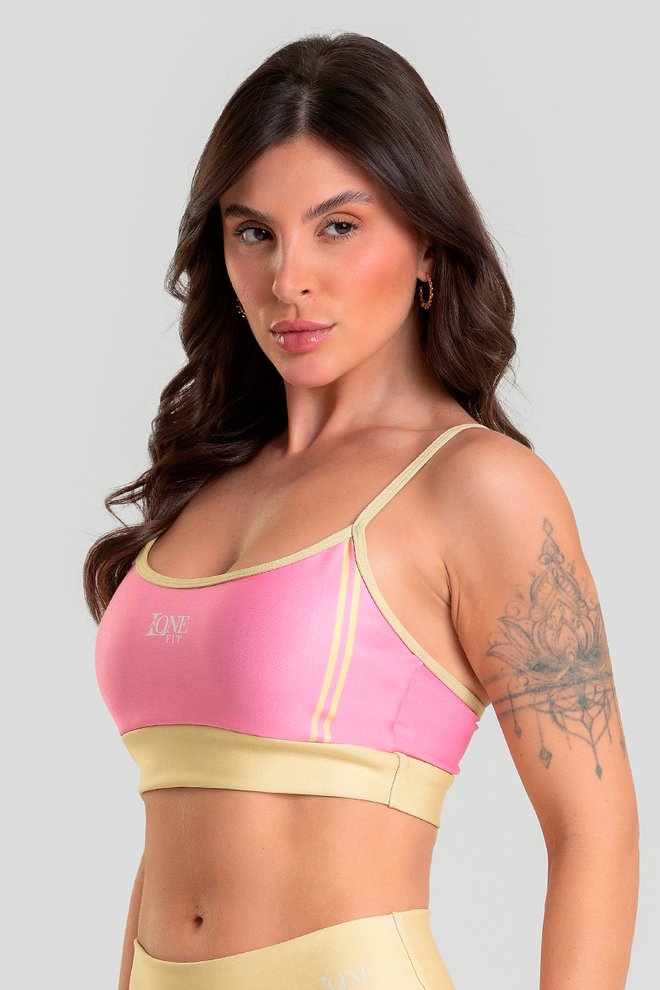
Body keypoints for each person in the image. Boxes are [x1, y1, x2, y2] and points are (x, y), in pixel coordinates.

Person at [84, 31, 639, 990]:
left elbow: (595, 832)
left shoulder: (480, 488)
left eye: (337, 226)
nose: (288, 278)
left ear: (427, 245)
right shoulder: (208, 484)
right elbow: (180, 831)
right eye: (253, 231)